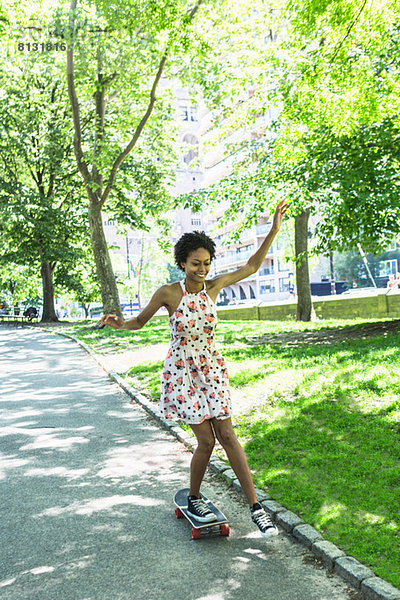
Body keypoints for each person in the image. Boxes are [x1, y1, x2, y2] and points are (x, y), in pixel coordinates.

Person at [98, 199, 288, 538]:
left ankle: (257, 509)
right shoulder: (169, 293)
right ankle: (196, 496)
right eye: (195, 263)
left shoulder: (213, 288)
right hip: (182, 373)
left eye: (206, 262)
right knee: (205, 441)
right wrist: (119, 323)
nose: (202, 268)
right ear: (183, 262)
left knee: (227, 435)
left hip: (211, 369)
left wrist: (273, 229)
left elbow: (252, 266)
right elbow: (139, 323)